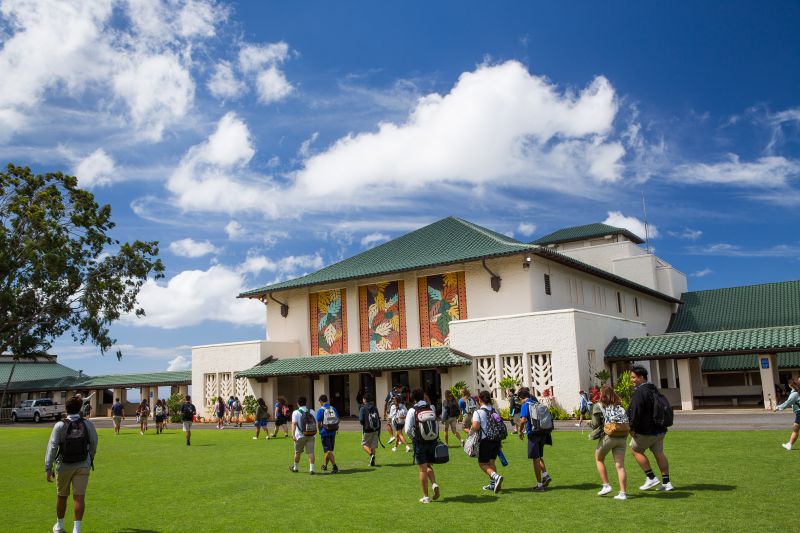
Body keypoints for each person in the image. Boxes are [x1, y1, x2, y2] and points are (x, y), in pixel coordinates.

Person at [45, 394, 98, 533]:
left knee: (62, 496)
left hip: (64, 465)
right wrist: (89, 458)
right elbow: (93, 443)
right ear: (80, 408)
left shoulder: (60, 425)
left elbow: (52, 447)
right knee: (79, 497)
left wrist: (48, 468)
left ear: (66, 408)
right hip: (83, 464)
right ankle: (77, 529)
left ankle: (60, 526)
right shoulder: (87, 424)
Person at [628, 365, 672, 491]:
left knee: (635, 450)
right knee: (659, 453)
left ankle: (651, 477)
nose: (632, 380)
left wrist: (632, 428)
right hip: (660, 429)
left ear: (641, 377)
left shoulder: (640, 392)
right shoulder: (653, 388)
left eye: (634, 377)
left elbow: (635, 412)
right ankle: (666, 482)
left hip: (646, 431)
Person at [589, 385, 628, 500]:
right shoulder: (619, 405)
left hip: (609, 436)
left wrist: (589, 424)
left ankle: (606, 485)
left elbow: (596, 424)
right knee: (620, 466)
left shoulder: (598, 406)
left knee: (599, 459)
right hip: (622, 436)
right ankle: (623, 493)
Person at [404, 388, 441, 504]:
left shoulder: (412, 410)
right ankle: (434, 483)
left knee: (422, 470)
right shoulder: (432, 407)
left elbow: (408, 430)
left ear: (413, 398)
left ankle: (426, 497)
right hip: (432, 441)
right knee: (429, 464)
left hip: (420, 442)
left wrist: (412, 438)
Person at [517, 387, 553, 491]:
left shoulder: (525, 405)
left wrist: (520, 431)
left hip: (533, 434)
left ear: (521, 398)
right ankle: (545, 475)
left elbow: (523, 420)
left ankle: (539, 485)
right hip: (542, 432)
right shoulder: (536, 402)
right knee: (539, 456)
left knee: (535, 459)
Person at [471, 390, 504, 493]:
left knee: (482, 463)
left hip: (485, 441)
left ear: (479, 400)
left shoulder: (478, 412)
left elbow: (475, 427)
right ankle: (493, 484)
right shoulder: (494, 411)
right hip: (496, 440)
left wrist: (472, 422)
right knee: (492, 462)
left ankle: (496, 477)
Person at [290, 396, 316, 474]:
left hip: (300, 435)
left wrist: (293, 435)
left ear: (298, 404)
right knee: (311, 452)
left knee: (297, 452)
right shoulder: (311, 411)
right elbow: (315, 422)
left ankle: (295, 468)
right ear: (306, 402)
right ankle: (311, 469)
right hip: (311, 434)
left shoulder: (296, 412)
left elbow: (294, 424)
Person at [316, 394, 340, 473]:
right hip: (333, 431)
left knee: (328, 450)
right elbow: (338, 419)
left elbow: (319, 422)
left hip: (325, 431)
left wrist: (319, 430)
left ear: (320, 401)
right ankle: (325, 465)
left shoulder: (321, 410)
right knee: (329, 450)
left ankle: (334, 466)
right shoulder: (333, 408)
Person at [776, 379, 800, 450]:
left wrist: (777, 408)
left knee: (795, 429)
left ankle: (789, 445)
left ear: (789, 385)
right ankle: (789, 444)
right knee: (795, 429)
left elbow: (787, 403)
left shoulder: (794, 394)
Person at [358, 392, 381, 466]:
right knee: (372, 446)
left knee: (364, 444)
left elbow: (361, 419)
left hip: (367, 429)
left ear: (364, 399)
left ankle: (371, 455)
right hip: (375, 429)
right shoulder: (374, 407)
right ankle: (372, 462)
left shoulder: (363, 408)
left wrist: (364, 425)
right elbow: (378, 417)